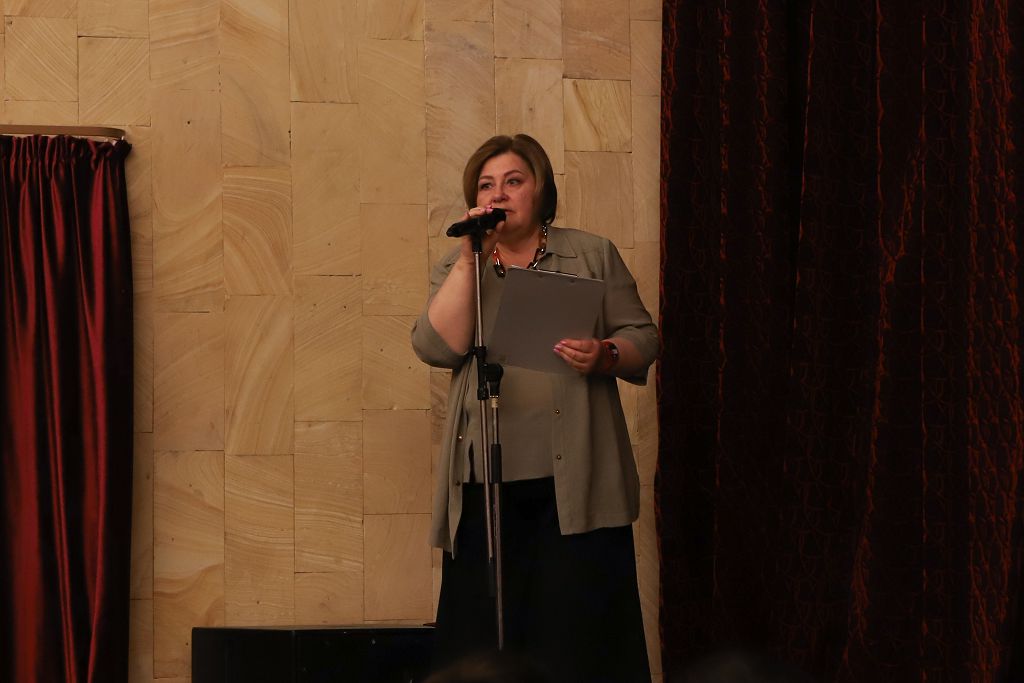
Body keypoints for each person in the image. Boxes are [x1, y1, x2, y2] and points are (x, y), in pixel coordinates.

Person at [411, 133, 659, 683]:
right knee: (486, 638)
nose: (498, 194)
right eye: (486, 185)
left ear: (540, 189)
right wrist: (469, 258)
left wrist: (606, 353)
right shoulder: (460, 264)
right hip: (486, 485)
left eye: (513, 181)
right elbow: (435, 347)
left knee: (576, 641)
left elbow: (643, 336)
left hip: (577, 483)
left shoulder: (591, 254)